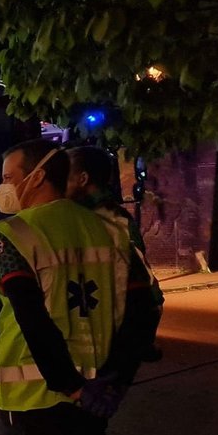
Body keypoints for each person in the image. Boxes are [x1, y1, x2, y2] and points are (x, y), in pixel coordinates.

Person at [0, 139, 147, 435]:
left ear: (38, 176)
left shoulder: (13, 233)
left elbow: (32, 319)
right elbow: (142, 311)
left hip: (31, 399)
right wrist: (117, 380)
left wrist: (70, 384)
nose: (4, 187)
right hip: (95, 393)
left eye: (9, 177)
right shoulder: (112, 231)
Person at [66, 146, 165, 362]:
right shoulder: (107, 214)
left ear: (83, 179)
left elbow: (136, 274)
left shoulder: (104, 219)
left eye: (65, 177)